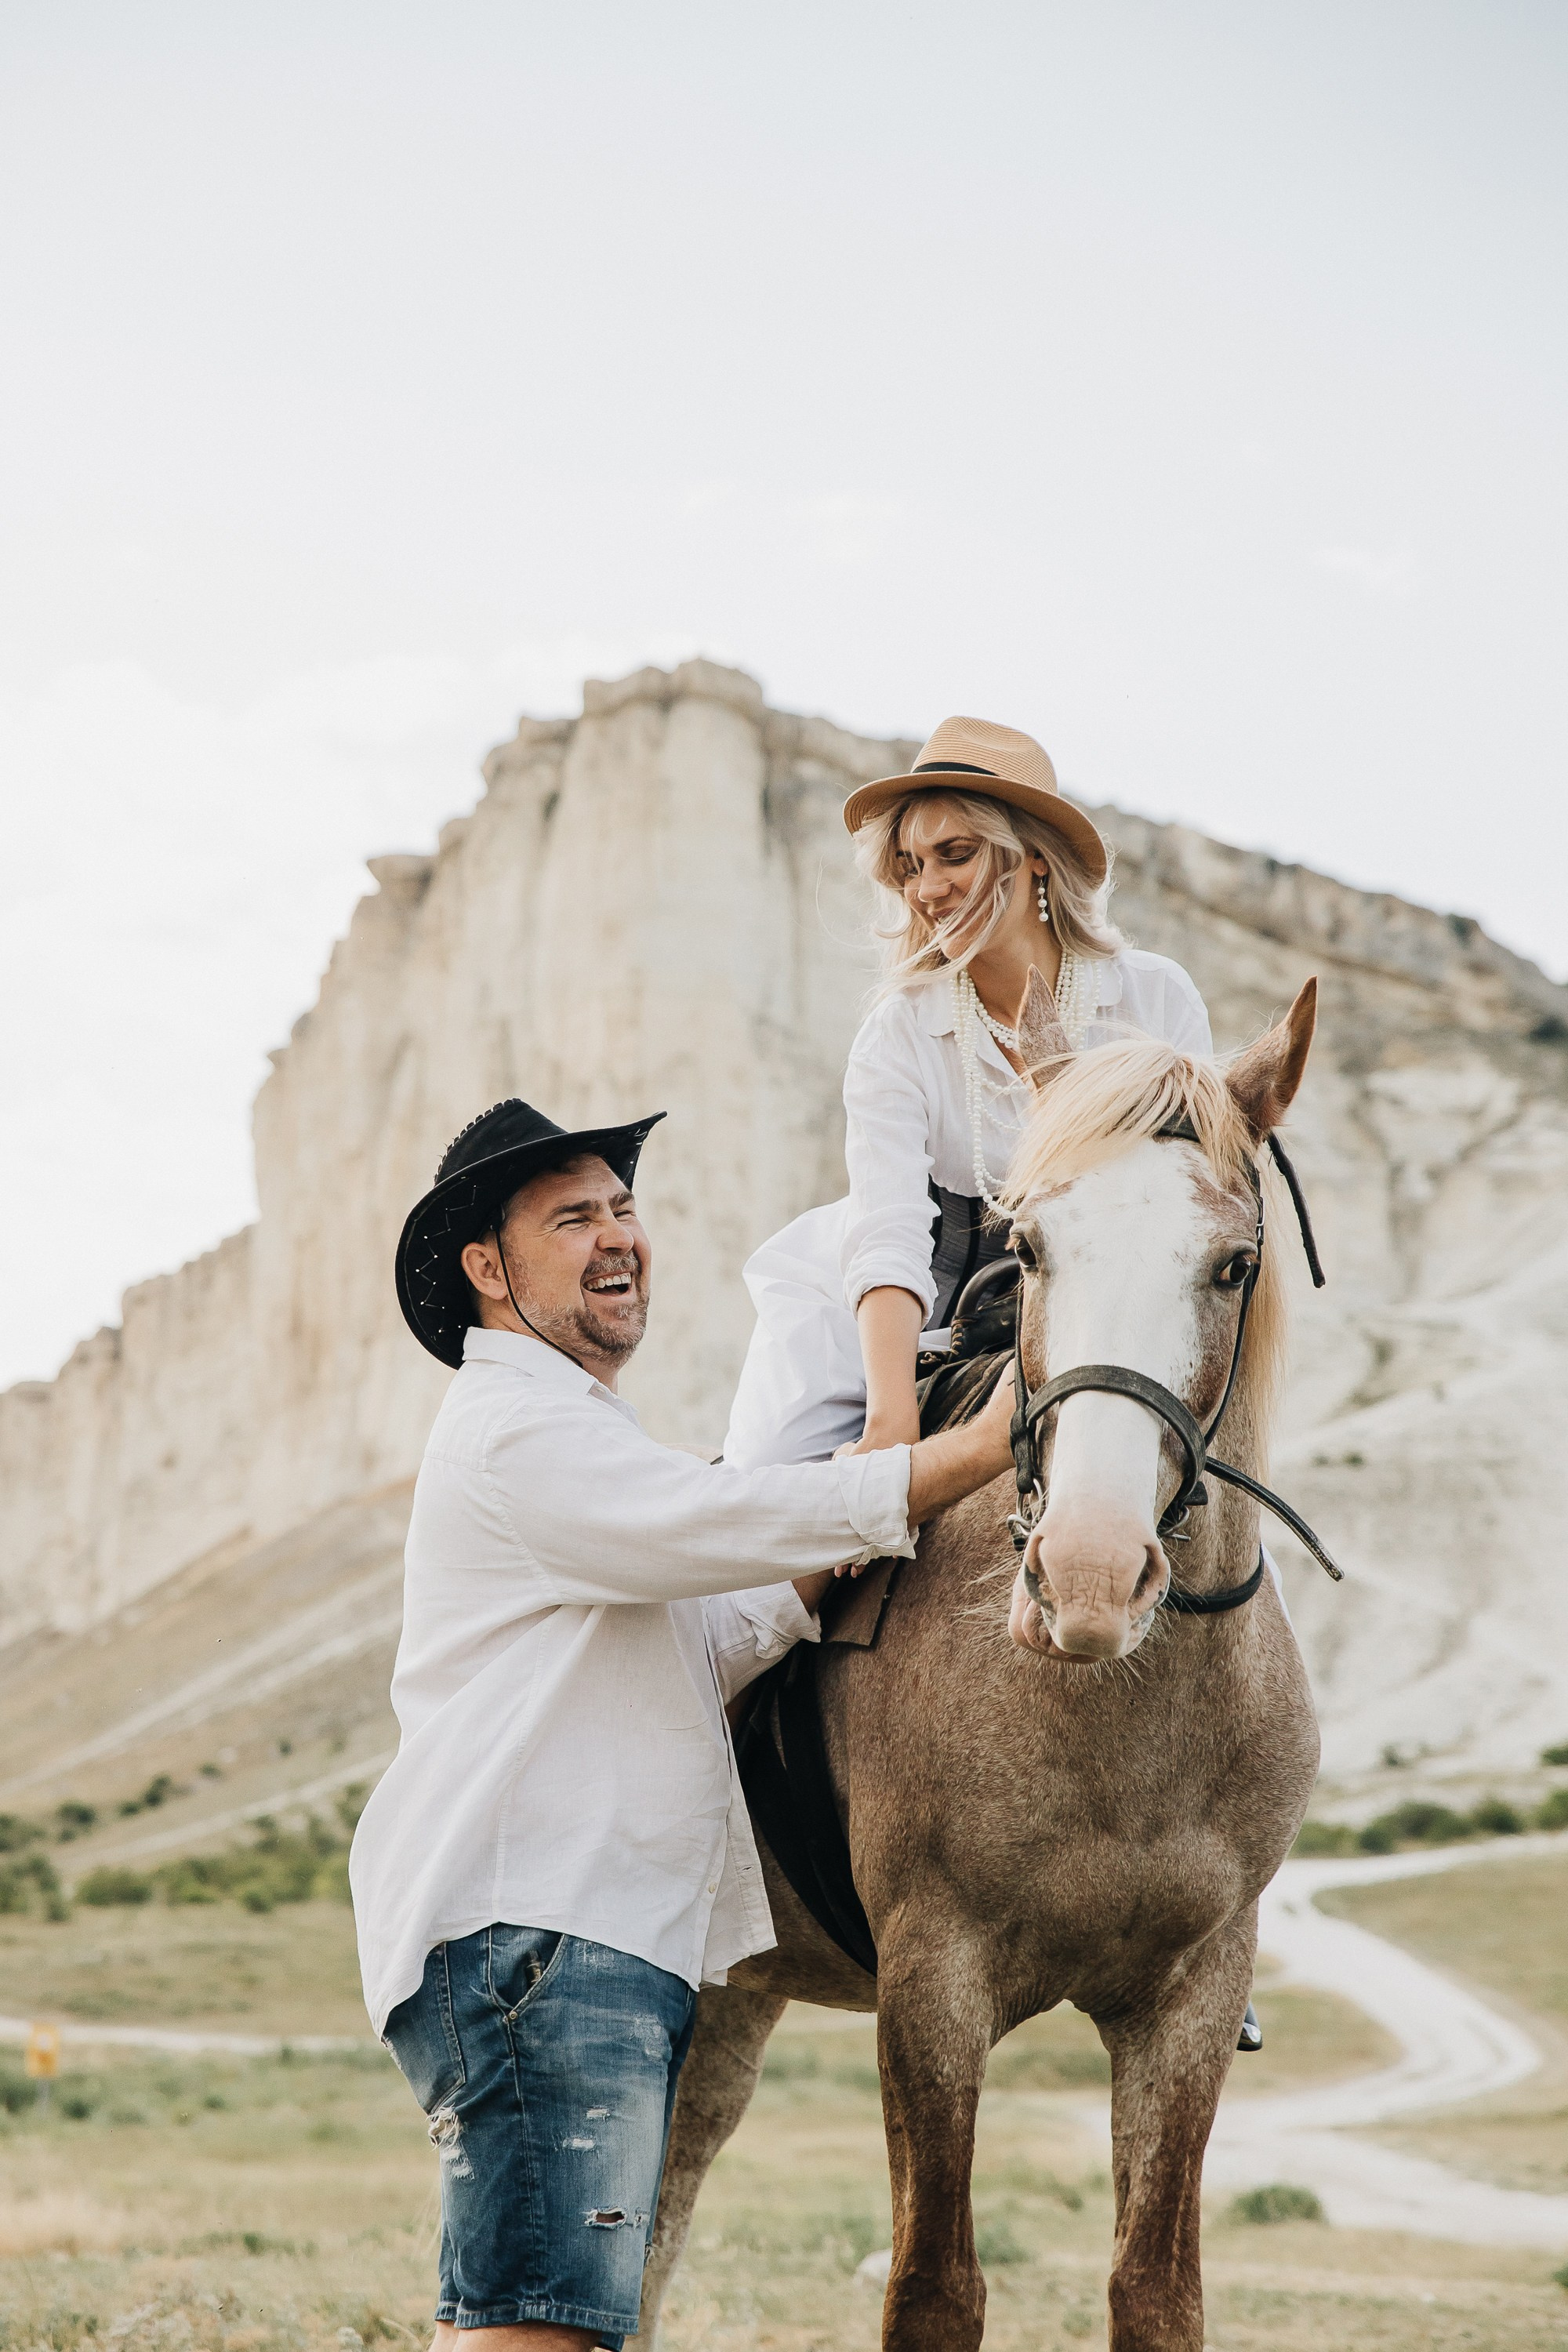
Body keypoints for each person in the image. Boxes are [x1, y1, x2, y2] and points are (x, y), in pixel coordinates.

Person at [352, 1096, 1018, 2352]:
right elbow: (720, 1527)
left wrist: (811, 1573)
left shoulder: (579, 1436)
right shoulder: (517, 1432)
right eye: (571, 1218)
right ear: (487, 1271)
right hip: (538, 1933)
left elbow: (709, 1634)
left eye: (622, 1207)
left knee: (517, 2320)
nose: (618, 1236)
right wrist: (969, 1453)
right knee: (539, 2332)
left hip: (567, 1937)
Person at [723, 713, 1213, 1472]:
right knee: (772, 1495)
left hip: (1099, 1299)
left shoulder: (1152, 1000)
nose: (926, 888)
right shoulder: (899, 1032)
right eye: (909, 866)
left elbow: (1195, 1201)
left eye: (954, 855)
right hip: (905, 1304)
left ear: (1034, 859)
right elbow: (887, 1230)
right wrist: (890, 1425)